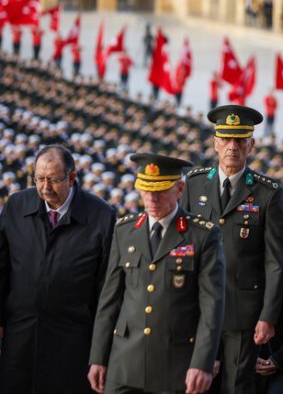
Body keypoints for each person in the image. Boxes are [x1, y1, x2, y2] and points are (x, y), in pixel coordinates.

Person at [88, 153, 225, 394]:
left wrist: (202, 363)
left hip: (175, 367)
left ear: (180, 189)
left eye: (160, 190)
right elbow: (109, 301)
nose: (151, 198)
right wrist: (97, 357)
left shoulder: (202, 235)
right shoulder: (125, 231)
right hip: (124, 364)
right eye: (145, 189)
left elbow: (212, 306)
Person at [181, 105, 283, 394]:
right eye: (226, 139)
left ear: (251, 145)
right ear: (215, 142)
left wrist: (268, 315)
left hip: (243, 312)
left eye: (240, 140)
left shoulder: (268, 193)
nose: (232, 147)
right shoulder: (193, 184)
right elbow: (181, 247)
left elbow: (276, 261)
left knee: (237, 386)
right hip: (196, 307)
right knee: (192, 384)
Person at [0, 145, 116, 393]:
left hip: (71, 345)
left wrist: (100, 351)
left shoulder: (101, 217)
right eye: (39, 179)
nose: (45, 188)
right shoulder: (16, 206)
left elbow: (105, 289)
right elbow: (2, 270)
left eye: (53, 180)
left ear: (72, 178)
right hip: (20, 340)